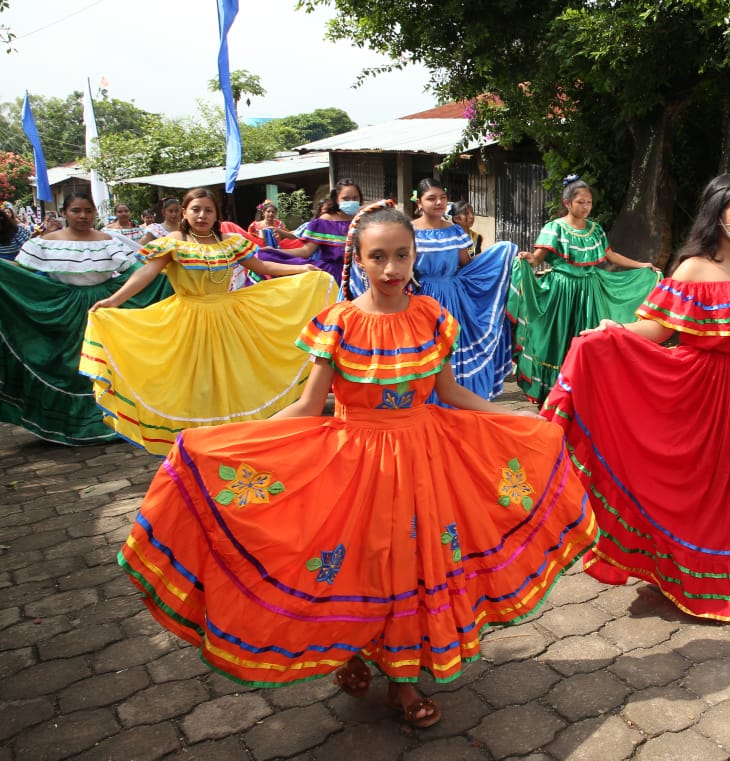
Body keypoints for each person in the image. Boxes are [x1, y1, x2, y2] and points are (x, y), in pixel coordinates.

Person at [116, 200, 597, 727]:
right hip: (355, 467)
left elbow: (451, 392)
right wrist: (228, 440)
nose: (392, 269)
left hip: (426, 462)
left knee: (413, 565)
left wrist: (522, 420)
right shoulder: (337, 322)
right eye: (378, 257)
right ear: (359, 259)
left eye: (402, 255)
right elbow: (308, 406)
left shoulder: (432, 316)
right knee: (356, 564)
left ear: (414, 256)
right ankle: (349, 650)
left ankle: (403, 682)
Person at [542, 174, 730, 621]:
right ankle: (691, 559)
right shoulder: (692, 269)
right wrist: (614, 331)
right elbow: (659, 329)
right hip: (705, 392)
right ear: (718, 216)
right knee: (703, 482)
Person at [81, 188, 338, 455]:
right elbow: (146, 273)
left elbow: (262, 267)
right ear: (184, 212)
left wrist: (301, 269)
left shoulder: (229, 241)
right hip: (188, 320)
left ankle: (233, 438)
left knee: (233, 378)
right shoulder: (175, 241)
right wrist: (114, 301)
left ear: (217, 214)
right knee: (198, 382)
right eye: (195, 209)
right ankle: (199, 440)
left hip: (229, 319)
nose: (202, 215)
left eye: (208, 210)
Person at [0, 191, 172, 444]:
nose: (83, 216)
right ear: (64, 213)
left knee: (108, 362)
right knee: (71, 366)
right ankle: (74, 425)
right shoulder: (44, 243)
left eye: (88, 211)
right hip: (64, 309)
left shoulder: (108, 241)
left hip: (105, 309)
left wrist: (168, 271)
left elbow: (135, 272)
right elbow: (23, 272)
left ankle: (115, 420)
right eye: (76, 210)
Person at [510, 175, 660, 404]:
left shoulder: (595, 229)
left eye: (589, 202)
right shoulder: (554, 228)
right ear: (567, 203)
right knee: (559, 339)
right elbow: (537, 258)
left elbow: (611, 256)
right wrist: (528, 258)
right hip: (562, 292)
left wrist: (642, 266)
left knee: (588, 337)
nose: (586, 207)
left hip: (590, 291)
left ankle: (584, 390)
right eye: (581, 202)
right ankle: (557, 392)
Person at [402, 178, 513, 400]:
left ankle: (455, 398)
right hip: (421, 297)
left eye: (442, 198)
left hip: (452, 297)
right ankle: (425, 399)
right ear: (419, 202)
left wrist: (501, 259)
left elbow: (466, 264)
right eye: (431, 198)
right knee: (426, 348)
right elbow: (403, 264)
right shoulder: (408, 231)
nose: (438, 202)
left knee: (452, 345)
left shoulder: (455, 231)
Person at [260, 179, 365, 297]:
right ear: (336, 199)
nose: (351, 202)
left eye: (355, 198)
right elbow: (306, 251)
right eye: (346, 198)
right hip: (333, 276)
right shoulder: (325, 221)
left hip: (363, 275)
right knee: (265, 255)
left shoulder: (364, 219)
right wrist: (276, 251)